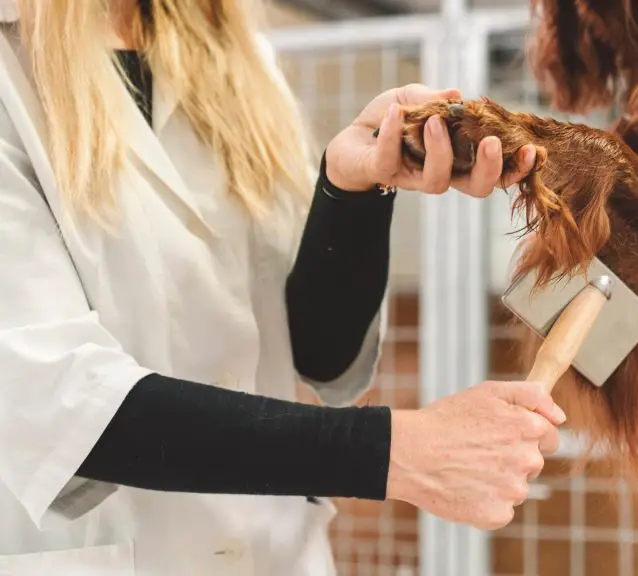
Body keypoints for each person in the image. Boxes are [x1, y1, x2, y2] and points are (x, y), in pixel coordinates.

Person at [0, 0, 565, 574]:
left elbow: (318, 353)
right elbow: (65, 404)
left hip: (280, 553)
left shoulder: (239, 60)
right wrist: (396, 451)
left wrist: (351, 190)